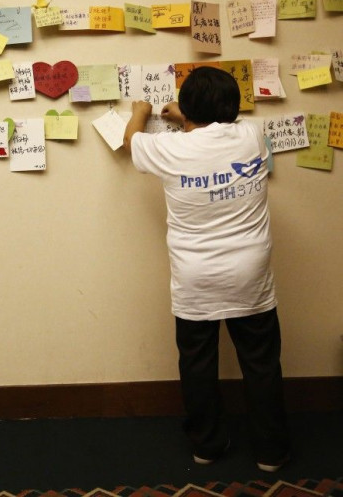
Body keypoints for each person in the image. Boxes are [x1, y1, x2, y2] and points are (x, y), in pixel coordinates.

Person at [122, 66, 290, 472]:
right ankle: (271, 452)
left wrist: (141, 110)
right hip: (251, 272)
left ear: (188, 108)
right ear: (232, 108)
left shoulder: (170, 150)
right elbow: (216, 131)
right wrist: (190, 119)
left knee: (197, 363)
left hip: (195, 277)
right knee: (261, 362)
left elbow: (132, 142)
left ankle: (207, 446)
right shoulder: (252, 135)